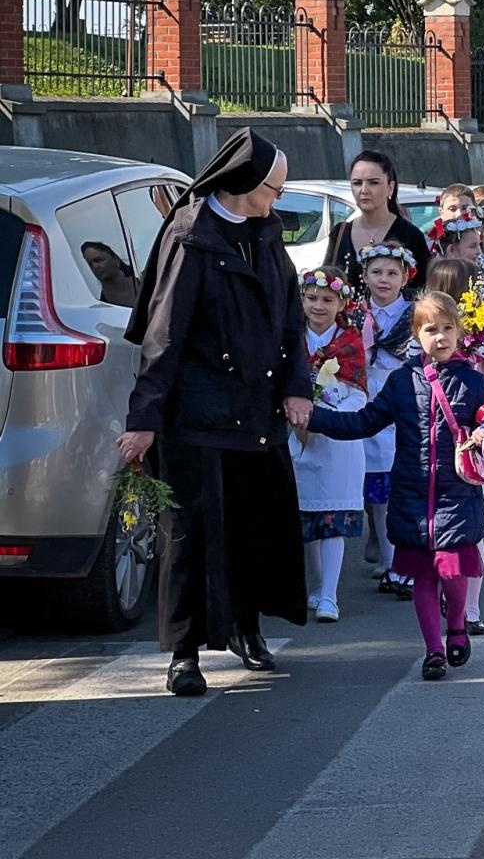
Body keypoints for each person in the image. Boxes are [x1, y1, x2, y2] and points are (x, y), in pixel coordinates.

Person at [119, 127, 312, 697]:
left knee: (256, 525)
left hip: (257, 411)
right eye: (273, 187)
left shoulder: (269, 236)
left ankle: (248, 629)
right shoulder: (192, 237)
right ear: (245, 182)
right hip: (198, 413)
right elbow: (164, 336)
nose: (278, 197)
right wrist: (143, 419)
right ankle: (183, 654)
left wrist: (298, 386)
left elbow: (291, 322)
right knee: (191, 535)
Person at [308, 291, 484, 682]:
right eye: (431, 330)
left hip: (456, 494)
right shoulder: (401, 382)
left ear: (459, 332)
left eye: (447, 329)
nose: (440, 337)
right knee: (424, 578)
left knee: (453, 572)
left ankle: (456, 622)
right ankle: (433, 650)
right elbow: (363, 422)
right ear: (416, 334)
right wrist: (315, 418)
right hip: (410, 495)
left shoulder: (476, 382)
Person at [420, 257, 484, 635]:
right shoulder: (430, 344)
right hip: (450, 451)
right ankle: (462, 603)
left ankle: (468, 607)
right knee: (456, 533)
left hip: (472, 448)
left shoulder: (475, 346)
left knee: (472, 530)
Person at [290, 266, 368, 624]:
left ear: (341, 303)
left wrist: (327, 416)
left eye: (327, 299)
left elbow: (358, 395)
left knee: (332, 521)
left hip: (336, 441)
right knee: (308, 520)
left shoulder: (350, 342)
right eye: (311, 298)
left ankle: (331, 595)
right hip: (296, 438)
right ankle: (317, 585)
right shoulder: (290, 339)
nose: (318, 306)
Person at [352, 242, 416, 598]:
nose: (384, 280)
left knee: (403, 484)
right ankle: (387, 553)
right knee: (376, 487)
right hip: (367, 398)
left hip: (405, 399)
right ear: (364, 276)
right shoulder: (355, 313)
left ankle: (401, 558)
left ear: (405, 276)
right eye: (376, 272)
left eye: (392, 273)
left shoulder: (415, 313)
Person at [326, 150, 430, 292]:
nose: (364, 190)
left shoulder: (411, 236)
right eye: (357, 183)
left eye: (373, 183)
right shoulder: (340, 233)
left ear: (390, 187)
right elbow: (327, 283)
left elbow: (423, 291)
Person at [81, 240, 140, 307]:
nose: (95, 266)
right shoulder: (103, 306)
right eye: (90, 264)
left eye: (98, 260)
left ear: (115, 259)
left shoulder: (144, 283)